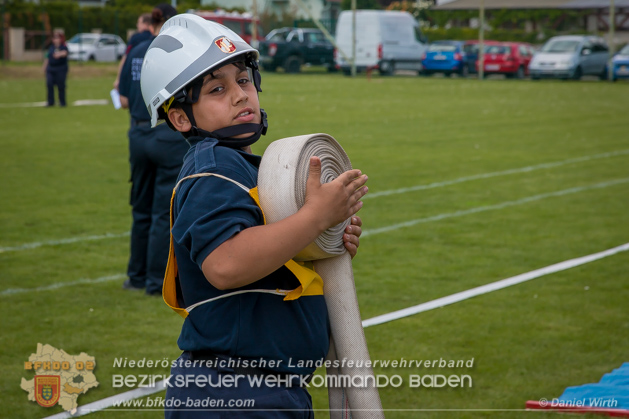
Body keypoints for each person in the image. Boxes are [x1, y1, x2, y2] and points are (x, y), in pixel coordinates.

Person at [140, 14, 367, 417]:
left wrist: (324, 235)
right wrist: (314, 218)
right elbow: (226, 263)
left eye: (243, 80)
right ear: (179, 117)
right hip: (235, 394)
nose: (240, 95)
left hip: (268, 389)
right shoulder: (212, 169)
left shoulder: (245, 169)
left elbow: (271, 253)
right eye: (216, 89)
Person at [118, 4, 189, 296]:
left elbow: (122, 98)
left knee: (141, 209)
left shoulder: (135, 51)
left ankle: (135, 276)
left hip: (137, 134)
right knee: (163, 212)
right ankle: (154, 282)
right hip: (166, 136)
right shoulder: (177, 52)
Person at [113, 13, 152, 91]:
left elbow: (125, 58)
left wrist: (118, 79)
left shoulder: (135, 38)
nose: (137, 25)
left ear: (146, 24)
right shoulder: (156, 37)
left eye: (139, 23)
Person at [43, 32, 68, 107]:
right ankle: (50, 102)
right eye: (54, 38)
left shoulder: (63, 46)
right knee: (49, 84)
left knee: (61, 85)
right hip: (51, 68)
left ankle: (62, 102)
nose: (55, 40)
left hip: (61, 68)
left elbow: (65, 53)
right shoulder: (51, 47)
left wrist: (59, 54)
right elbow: (47, 57)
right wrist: (44, 66)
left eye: (57, 38)